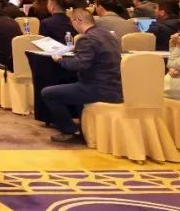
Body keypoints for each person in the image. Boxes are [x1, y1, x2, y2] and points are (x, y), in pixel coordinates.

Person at [42, 9, 122, 143]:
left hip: (97, 87)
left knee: (47, 93)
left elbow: (78, 65)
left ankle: (70, 131)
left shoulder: (86, 38)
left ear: (77, 20)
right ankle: (84, 129)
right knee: (75, 87)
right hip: (115, 86)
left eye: (71, 22)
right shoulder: (107, 34)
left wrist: (59, 60)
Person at [166, 33, 180, 100]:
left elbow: (170, 64)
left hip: (174, 95)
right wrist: (173, 45)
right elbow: (174, 61)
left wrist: (178, 47)